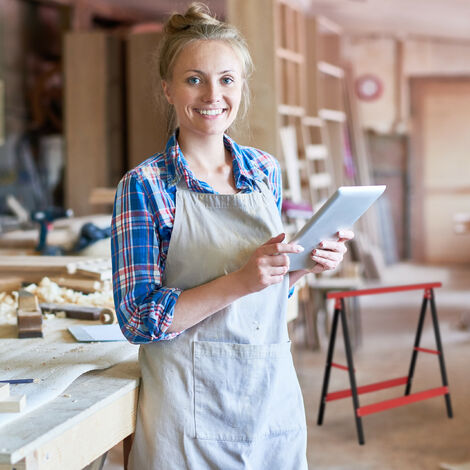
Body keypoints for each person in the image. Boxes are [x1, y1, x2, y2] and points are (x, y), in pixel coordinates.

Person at [111, 3, 354, 469]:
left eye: (227, 79)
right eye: (194, 78)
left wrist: (303, 265)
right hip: (185, 415)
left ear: (241, 86)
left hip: (269, 401)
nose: (212, 94)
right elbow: (138, 319)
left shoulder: (264, 170)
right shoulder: (144, 187)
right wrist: (241, 280)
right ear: (167, 88)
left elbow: (266, 293)